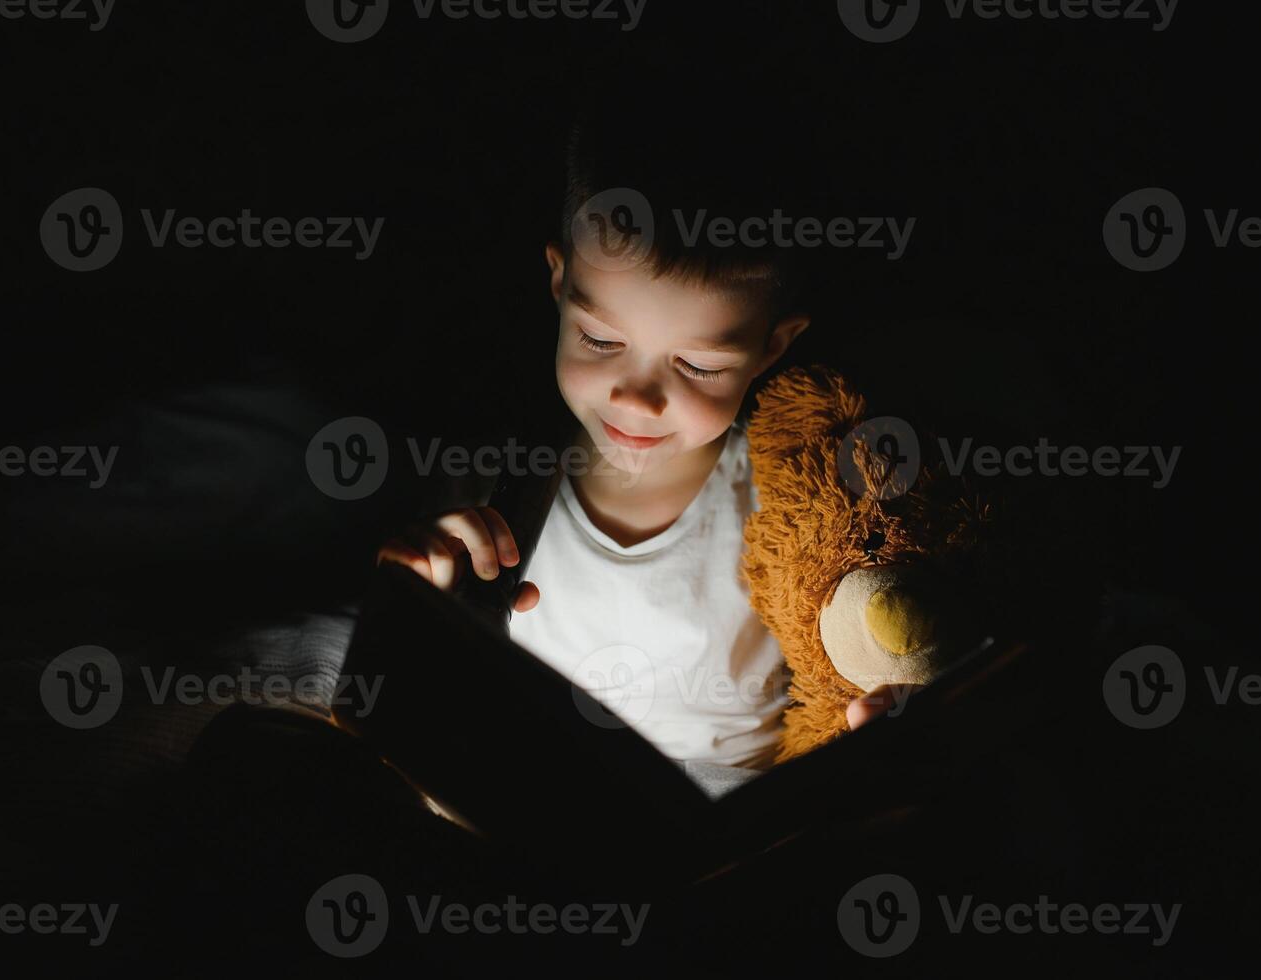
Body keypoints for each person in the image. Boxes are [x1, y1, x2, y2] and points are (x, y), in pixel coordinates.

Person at [375, 88, 905, 786]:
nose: (636, 396)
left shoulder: (789, 501)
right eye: (600, 340)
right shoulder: (493, 478)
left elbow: (848, 652)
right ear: (560, 284)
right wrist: (409, 588)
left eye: (698, 366)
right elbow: (419, 682)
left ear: (770, 347)